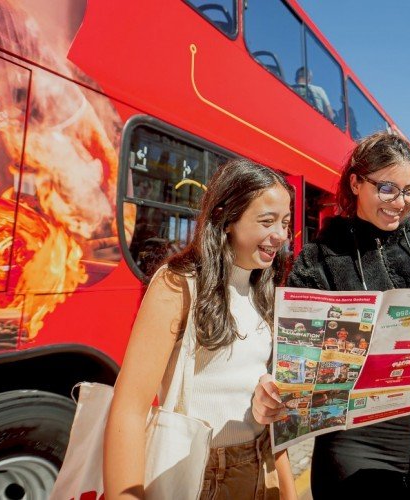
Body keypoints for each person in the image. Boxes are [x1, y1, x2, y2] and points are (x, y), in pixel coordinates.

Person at [253, 131, 410, 499]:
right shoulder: (319, 259)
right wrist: (275, 386)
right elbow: (289, 352)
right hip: (356, 447)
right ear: (356, 182)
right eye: (387, 188)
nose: (400, 202)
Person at [104, 159, 297, 500]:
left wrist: (288, 491)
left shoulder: (262, 290)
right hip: (202, 474)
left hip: (260, 465)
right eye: (267, 221)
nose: (280, 235)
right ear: (227, 220)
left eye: (284, 222)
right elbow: (129, 408)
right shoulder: (177, 284)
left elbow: (264, 409)